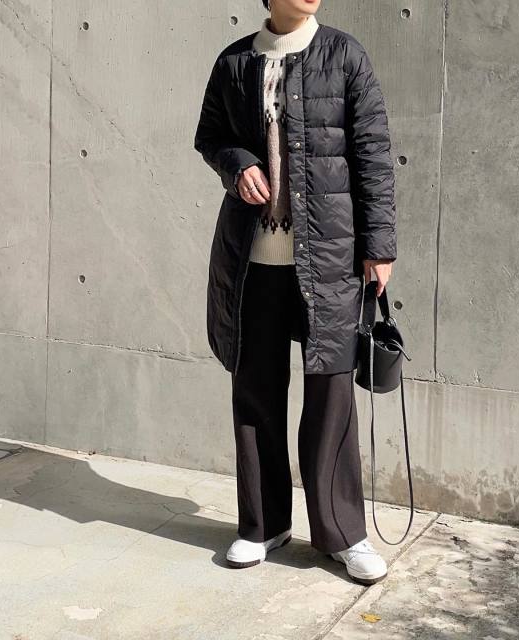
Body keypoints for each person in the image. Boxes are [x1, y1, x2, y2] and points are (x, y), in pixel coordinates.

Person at [194, 0, 397, 585]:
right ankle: (263, 526)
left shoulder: (344, 55)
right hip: (253, 259)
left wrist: (379, 246)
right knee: (255, 391)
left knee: (331, 397)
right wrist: (237, 164)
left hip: (329, 259)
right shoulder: (235, 62)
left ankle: (343, 534)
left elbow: (373, 153)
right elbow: (210, 136)